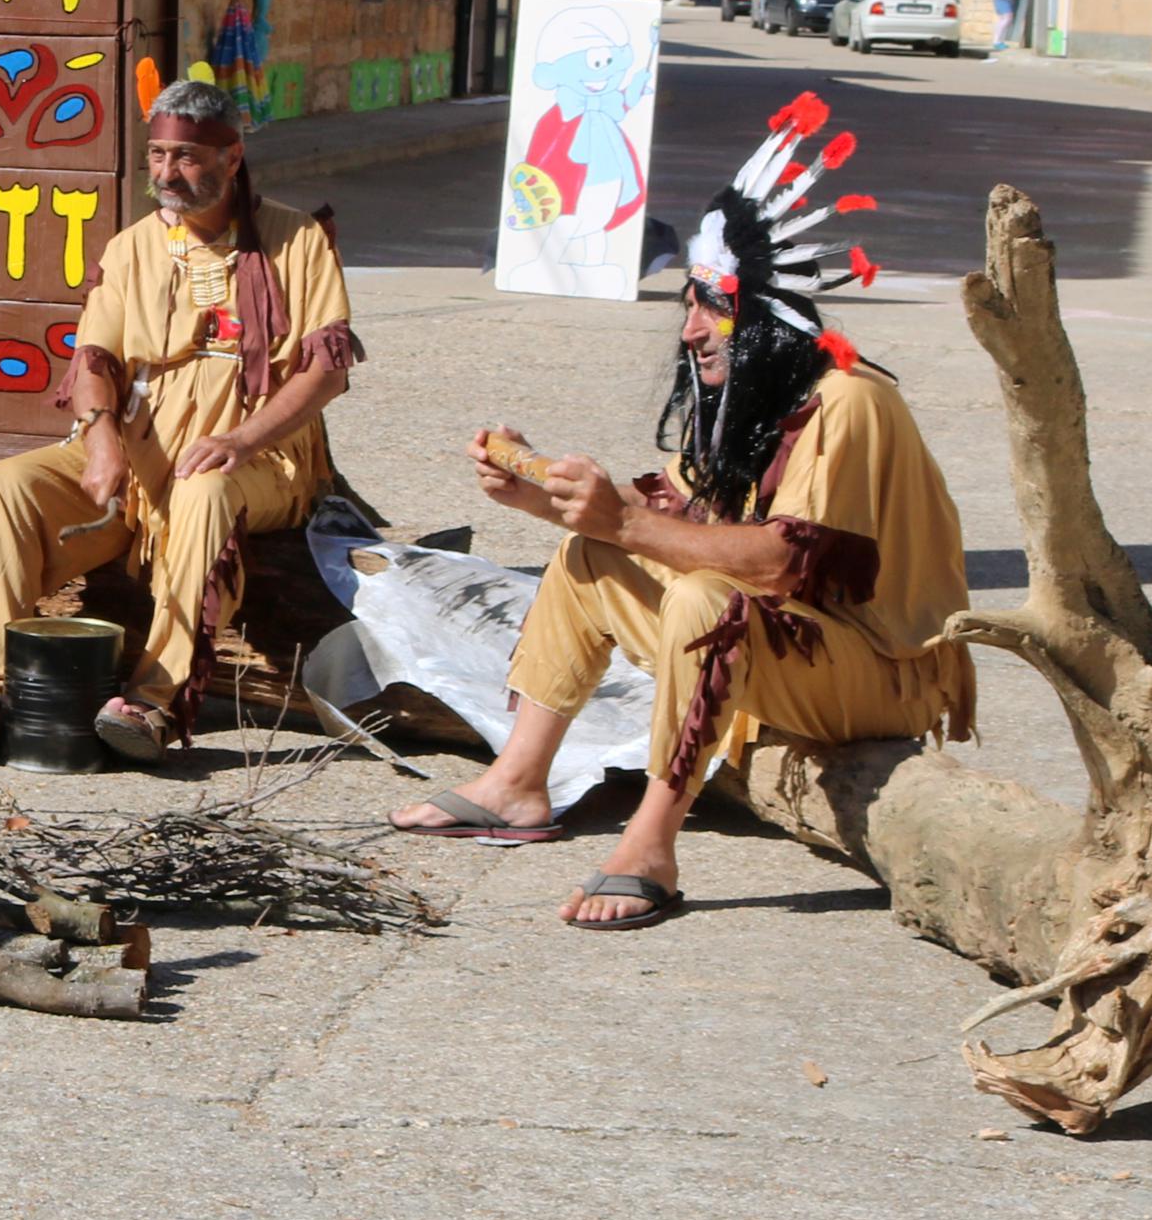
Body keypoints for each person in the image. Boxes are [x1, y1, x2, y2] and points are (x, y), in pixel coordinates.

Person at [395, 93, 977, 931]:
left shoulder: (849, 400)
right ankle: (517, 784)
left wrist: (621, 522)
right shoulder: (741, 395)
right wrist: (538, 495)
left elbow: (782, 563)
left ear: (768, 315)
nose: (692, 326)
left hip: (883, 670)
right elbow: (662, 514)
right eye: (688, 301)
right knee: (590, 559)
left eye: (713, 303)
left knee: (707, 600)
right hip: (790, 644)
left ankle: (651, 845)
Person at [0, 78, 359, 763]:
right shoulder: (132, 245)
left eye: (187, 157)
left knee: (201, 487)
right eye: (157, 155)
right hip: (139, 451)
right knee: (2, 484)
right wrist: (102, 440)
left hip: (261, 459)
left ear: (231, 156)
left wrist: (239, 439)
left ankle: (153, 699)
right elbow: (94, 360)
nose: (166, 172)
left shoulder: (297, 239)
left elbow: (327, 369)